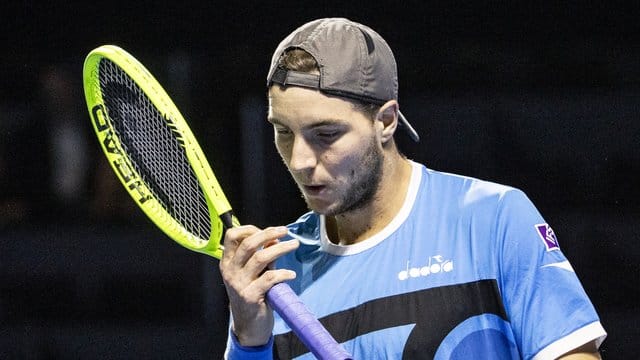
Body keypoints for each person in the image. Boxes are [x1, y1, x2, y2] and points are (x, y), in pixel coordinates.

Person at [220, 18, 606, 359]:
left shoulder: (492, 218)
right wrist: (248, 341)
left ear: (385, 121)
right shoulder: (275, 272)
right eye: (283, 132)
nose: (301, 159)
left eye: (326, 134)